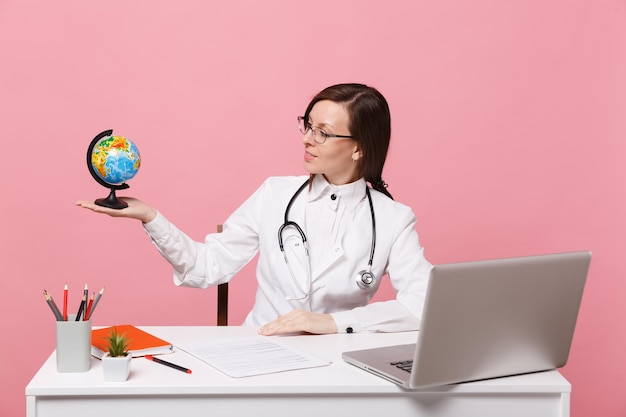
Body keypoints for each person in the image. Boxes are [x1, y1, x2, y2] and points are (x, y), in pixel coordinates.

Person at [76, 83, 432, 335]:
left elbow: (423, 304)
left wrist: (334, 324)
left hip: (337, 364)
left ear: (359, 149)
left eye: (323, 132)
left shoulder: (392, 219)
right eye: (307, 125)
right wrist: (151, 217)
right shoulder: (274, 194)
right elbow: (206, 267)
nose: (307, 138)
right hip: (261, 351)